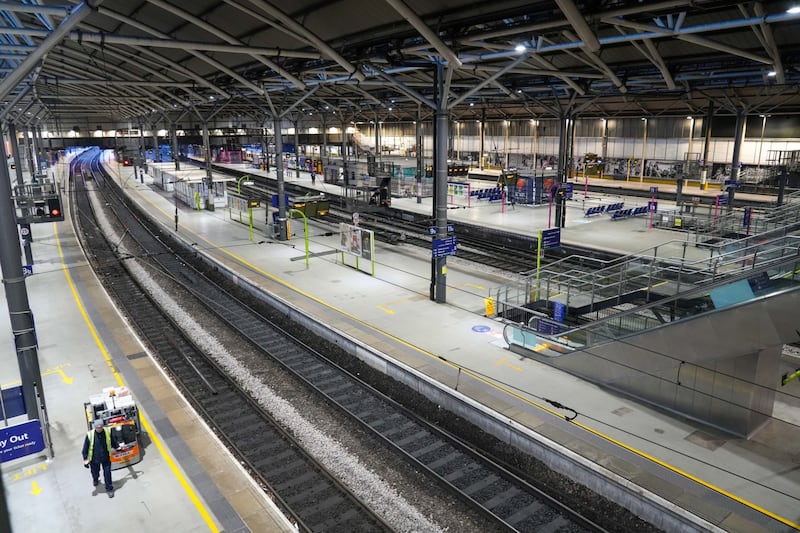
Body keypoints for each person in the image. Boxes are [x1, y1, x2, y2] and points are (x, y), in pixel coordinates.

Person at [82, 418, 122, 497]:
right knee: (95, 472)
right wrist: (86, 459)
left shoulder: (107, 432)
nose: (99, 429)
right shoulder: (90, 435)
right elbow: (85, 448)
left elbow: (112, 441)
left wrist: (117, 447)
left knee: (107, 473)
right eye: (98, 428)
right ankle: (95, 479)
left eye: (101, 427)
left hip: (105, 457)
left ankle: (109, 489)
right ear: (95, 427)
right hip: (94, 459)